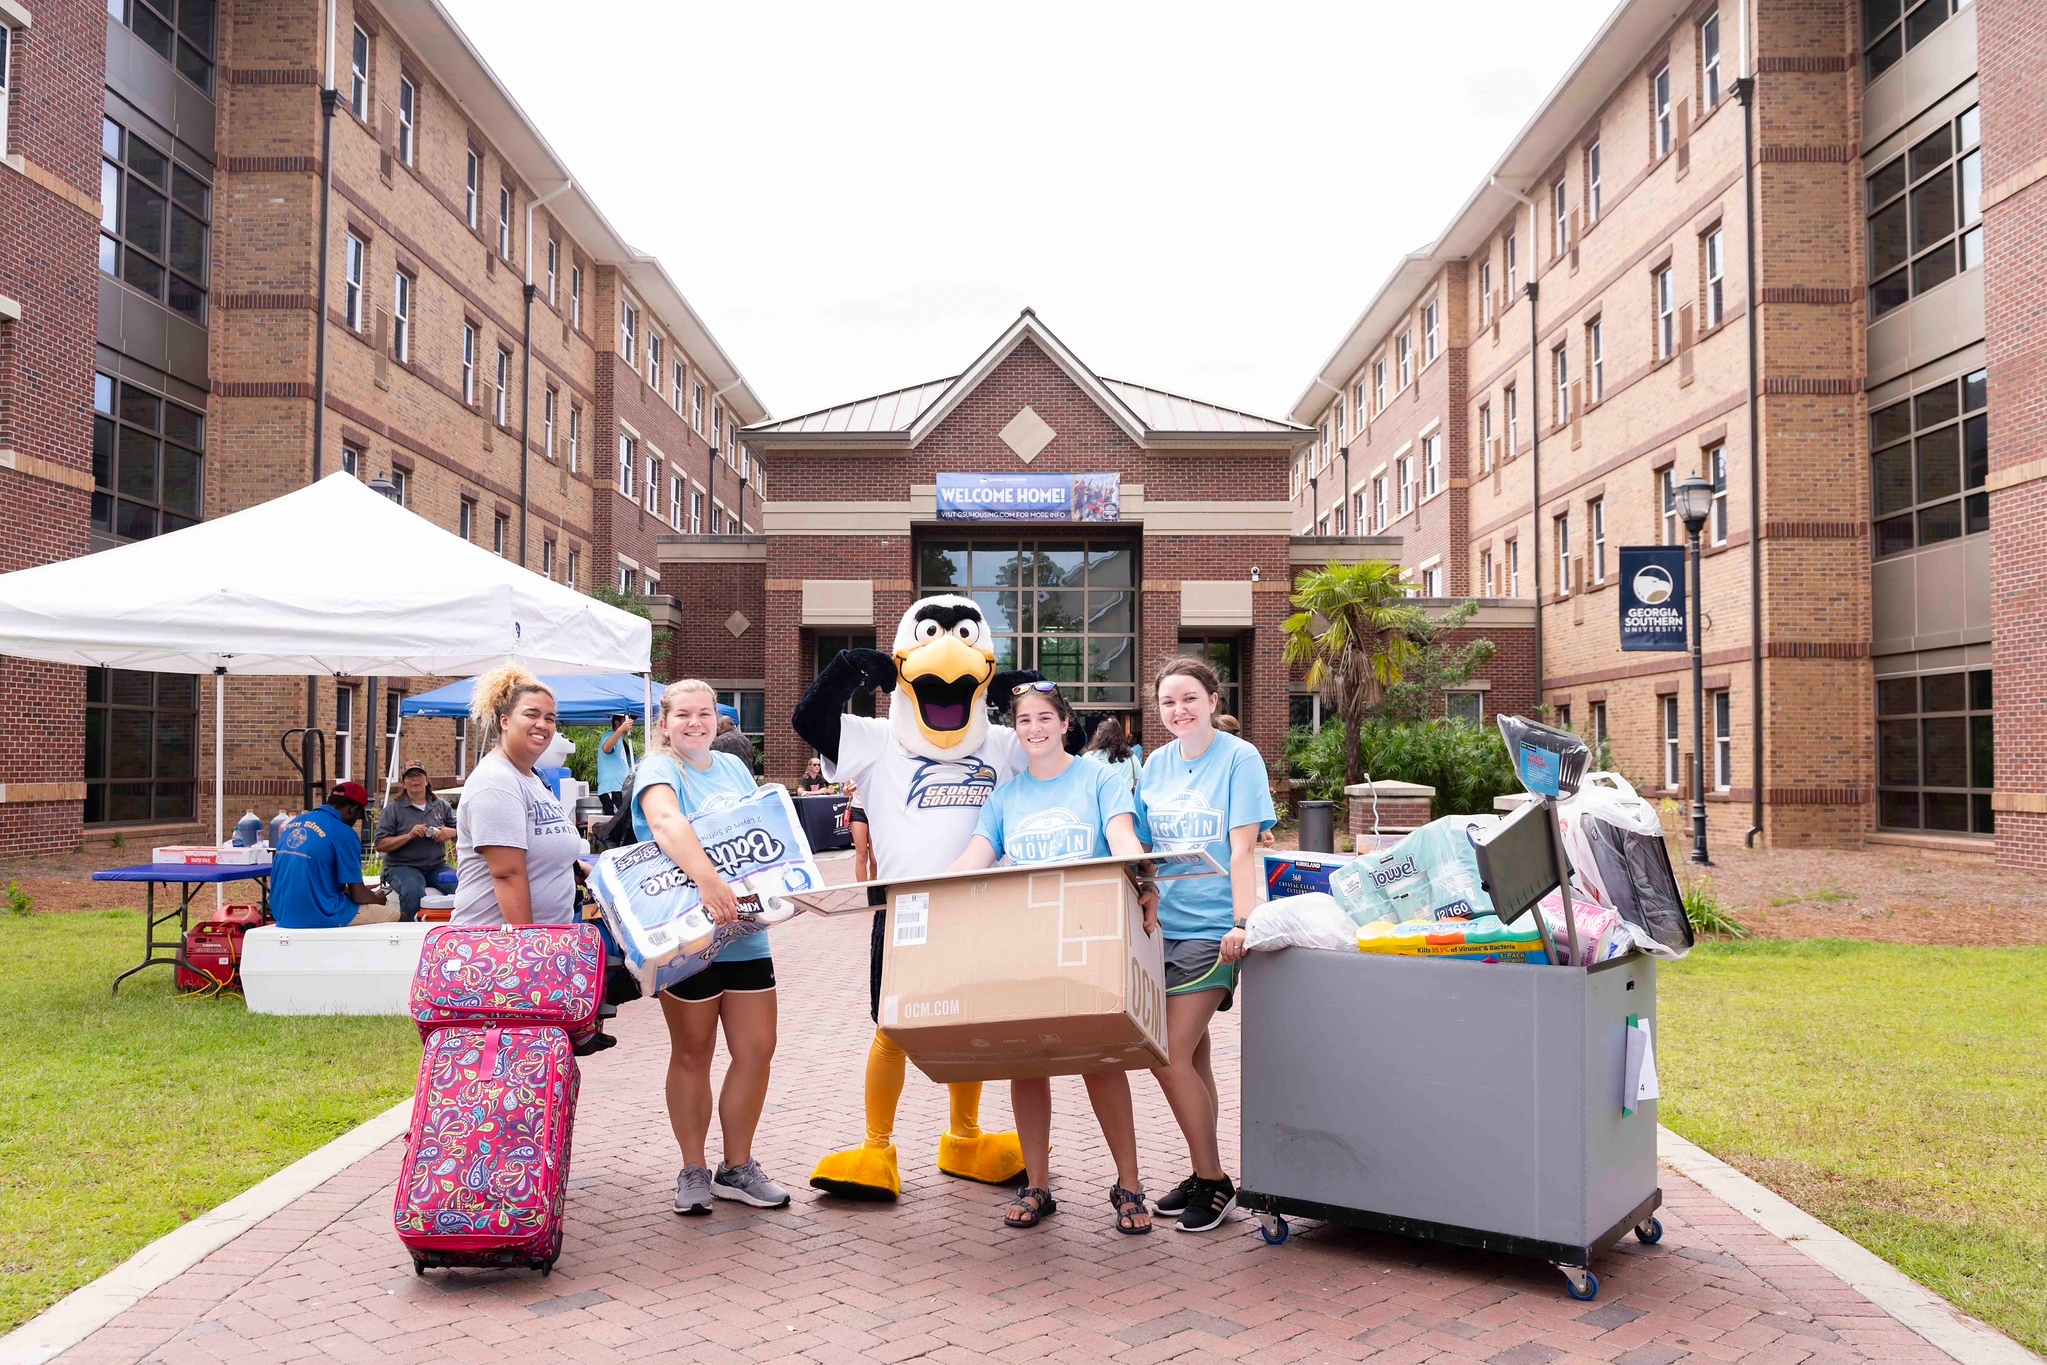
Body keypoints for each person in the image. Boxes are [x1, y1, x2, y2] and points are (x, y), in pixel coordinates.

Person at [949, 682, 1158, 1235]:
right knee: (1027, 1062)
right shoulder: (1006, 796)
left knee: (1100, 1062)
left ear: (1065, 723)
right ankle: (1037, 1184)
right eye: (1024, 721)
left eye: (1045, 717)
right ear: (1015, 731)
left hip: (1089, 937)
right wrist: (928, 891)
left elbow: (1121, 836)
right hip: (1026, 939)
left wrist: (1142, 874)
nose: (1035, 729)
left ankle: (1129, 1183)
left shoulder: (1099, 778)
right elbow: (975, 856)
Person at [633, 679, 789, 1216]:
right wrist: (708, 881)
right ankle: (694, 1169)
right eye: (684, 715)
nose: (695, 723)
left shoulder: (733, 768)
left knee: (756, 1049)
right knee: (693, 1052)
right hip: (686, 938)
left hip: (745, 932)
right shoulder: (659, 769)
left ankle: (737, 1168)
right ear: (665, 722)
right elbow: (665, 822)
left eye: (705, 714)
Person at [1137, 657, 1275, 1233]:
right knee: (1192, 1055)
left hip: (1214, 932)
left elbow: (1243, 851)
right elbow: (1143, 851)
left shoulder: (1240, 759)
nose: (1179, 710)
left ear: (1214, 699)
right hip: (1161, 928)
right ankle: (1203, 1173)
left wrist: (1242, 922)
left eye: (1190, 698)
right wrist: (1145, 892)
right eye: (1169, 702)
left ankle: (1215, 1180)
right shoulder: (1155, 764)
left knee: (1164, 1052)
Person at [452, 668, 582, 927]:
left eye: (550, 718)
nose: (542, 725)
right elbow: (507, 875)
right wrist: (530, 946)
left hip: (544, 941)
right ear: (504, 720)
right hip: (498, 951)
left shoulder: (533, 778)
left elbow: (545, 852)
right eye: (531, 714)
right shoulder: (496, 781)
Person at [271, 782, 398, 928]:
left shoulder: (293, 823)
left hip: (282, 913)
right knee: (399, 916)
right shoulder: (345, 834)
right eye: (358, 817)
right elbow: (359, 896)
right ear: (353, 810)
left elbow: (312, 878)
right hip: (320, 914)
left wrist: (347, 891)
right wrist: (377, 898)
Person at [372, 764, 454, 921]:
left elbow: (463, 833)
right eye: (409, 776)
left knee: (461, 884)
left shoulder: (442, 806)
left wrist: (451, 832)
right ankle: (410, 930)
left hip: (436, 866)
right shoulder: (393, 809)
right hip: (402, 867)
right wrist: (409, 836)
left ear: (427, 780)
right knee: (413, 890)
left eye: (419, 775)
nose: (415, 779)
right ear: (403, 783)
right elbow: (380, 844)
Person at [1081, 717, 1141, 792]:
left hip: (1097, 802)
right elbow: (1139, 781)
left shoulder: (1088, 757)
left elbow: (1081, 783)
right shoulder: (1131, 758)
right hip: (1125, 801)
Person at [596, 712, 636, 815]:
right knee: (616, 822)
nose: (630, 723)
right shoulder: (610, 735)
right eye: (626, 720)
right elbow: (606, 748)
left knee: (622, 822)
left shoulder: (621, 740)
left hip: (619, 789)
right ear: (617, 723)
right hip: (612, 788)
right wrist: (620, 730)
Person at [846, 779, 874, 881]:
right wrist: (849, 789)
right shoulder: (852, 768)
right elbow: (845, 790)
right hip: (857, 809)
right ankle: (862, 887)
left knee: (875, 858)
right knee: (862, 854)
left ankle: (874, 886)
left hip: (875, 810)